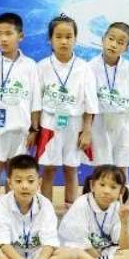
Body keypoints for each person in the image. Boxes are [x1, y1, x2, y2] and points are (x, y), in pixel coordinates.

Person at [0, 154, 76, 259]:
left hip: (38, 256)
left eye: (30, 181)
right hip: (11, 257)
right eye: (18, 181)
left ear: (39, 183)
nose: (24, 186)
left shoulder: (45, 205)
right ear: (10, 183)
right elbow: (3, 243)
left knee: (71, 254)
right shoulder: (0, 205)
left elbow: (49, 241)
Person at [35, 14, 98, 205]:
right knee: (48, 170)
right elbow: (35, 101)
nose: (64, 41)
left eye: (69, 36)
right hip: (49, 124)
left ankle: (72, 214)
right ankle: (46, 213)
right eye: (59, 36)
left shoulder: (84, 68)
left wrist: (87, 131)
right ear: (50, 39)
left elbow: (90, 103)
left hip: (74, 125)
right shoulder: (42, 67)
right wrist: (34, 129)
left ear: (76, 39)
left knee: (71, 170)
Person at [0, 13, 41, 204]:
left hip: (21, 130)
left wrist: (34, 130)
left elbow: (35, 101)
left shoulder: (30, 66)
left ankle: (11, 210)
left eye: (8, 33)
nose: (3, 39)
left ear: (20, 36)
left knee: (15, 173)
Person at [89, 22, 129, 174]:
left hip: (124, 125)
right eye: (111, 39)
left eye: (120, 42)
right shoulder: (89, 68)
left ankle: (123, 191)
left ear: (126, 48)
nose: (114, 45)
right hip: (99, 124)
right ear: (103, 39)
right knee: (101, 169)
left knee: (122, 169)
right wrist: (86, 130)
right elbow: (85, 104)